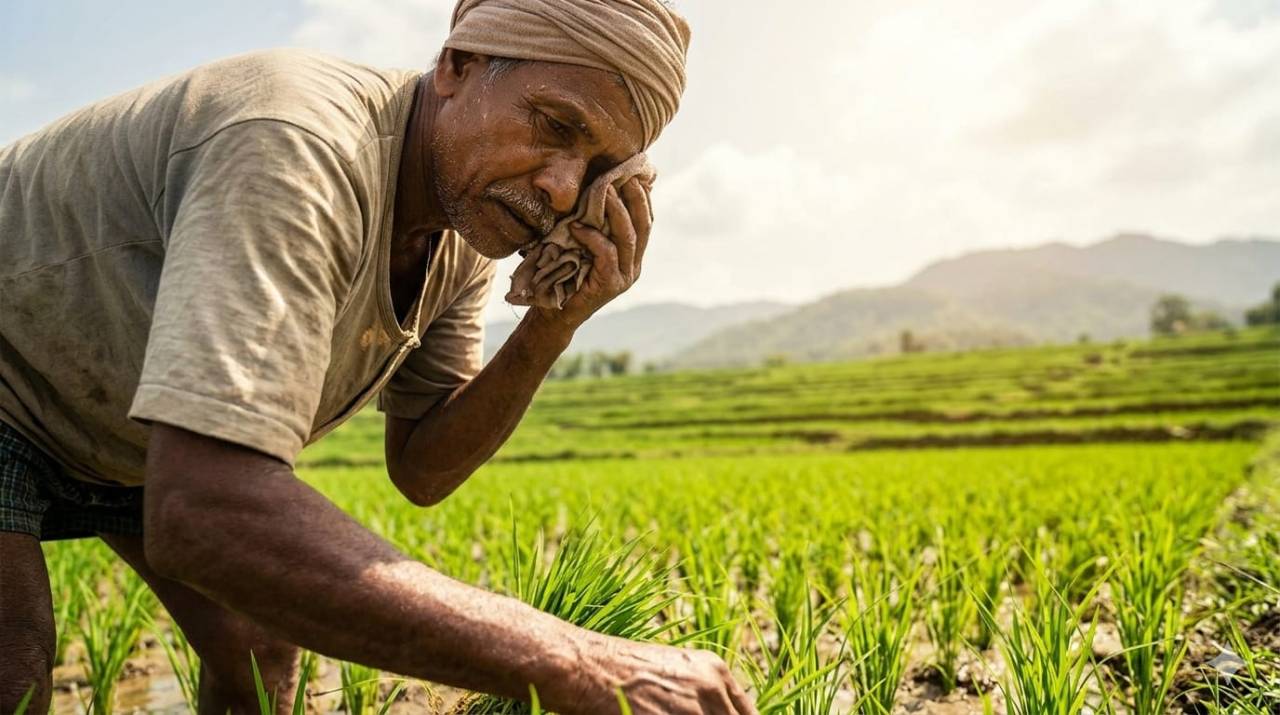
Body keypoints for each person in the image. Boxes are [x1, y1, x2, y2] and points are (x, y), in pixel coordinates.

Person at [0, 1, 756, 713]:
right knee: (15, 658)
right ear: (457, 65)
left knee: (259, 640)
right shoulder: (296, 146)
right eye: (555, 125)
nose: (562, 190)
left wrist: (553, 324)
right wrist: (582, 664)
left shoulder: (463, 231)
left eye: (597, 170)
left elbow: (423, 466)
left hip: (114, 420)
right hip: (12, 384)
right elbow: (203, 504)